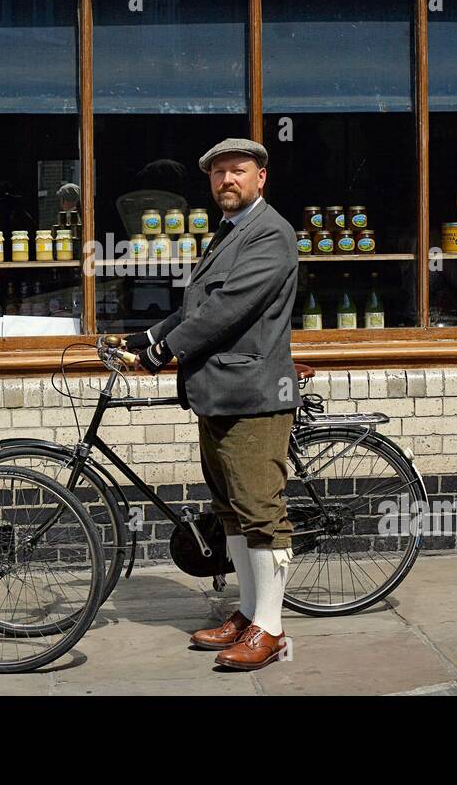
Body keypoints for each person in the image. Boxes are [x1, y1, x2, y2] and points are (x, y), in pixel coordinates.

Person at [125, 137, 299, 671]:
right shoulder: (228, 233)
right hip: (217, 392)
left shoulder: (270, 233)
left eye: (237, 171)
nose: (227, 180)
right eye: (218, 172)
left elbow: (228, 308)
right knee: (231, 512)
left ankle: (269, 630)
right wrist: (144, 338)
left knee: (260, 511)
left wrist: (166, 351)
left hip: (251, 395)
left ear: (260, 177)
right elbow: (195, 306)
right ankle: (247, 613)